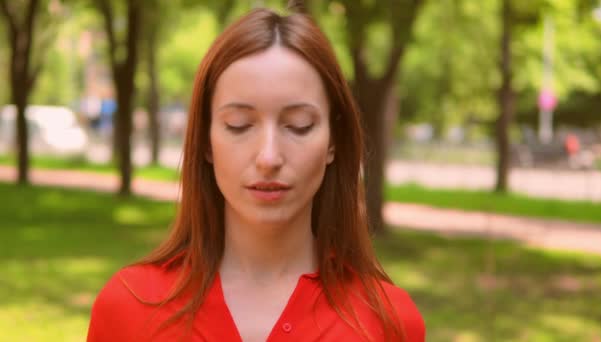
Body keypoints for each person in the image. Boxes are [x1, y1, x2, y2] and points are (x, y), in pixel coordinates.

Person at [87, 7, 425, 342]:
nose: (268, 157)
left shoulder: (390, 321)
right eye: (239, 125)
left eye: (298, 126)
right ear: (206, 141)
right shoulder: (129, 306)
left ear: (333, 142)